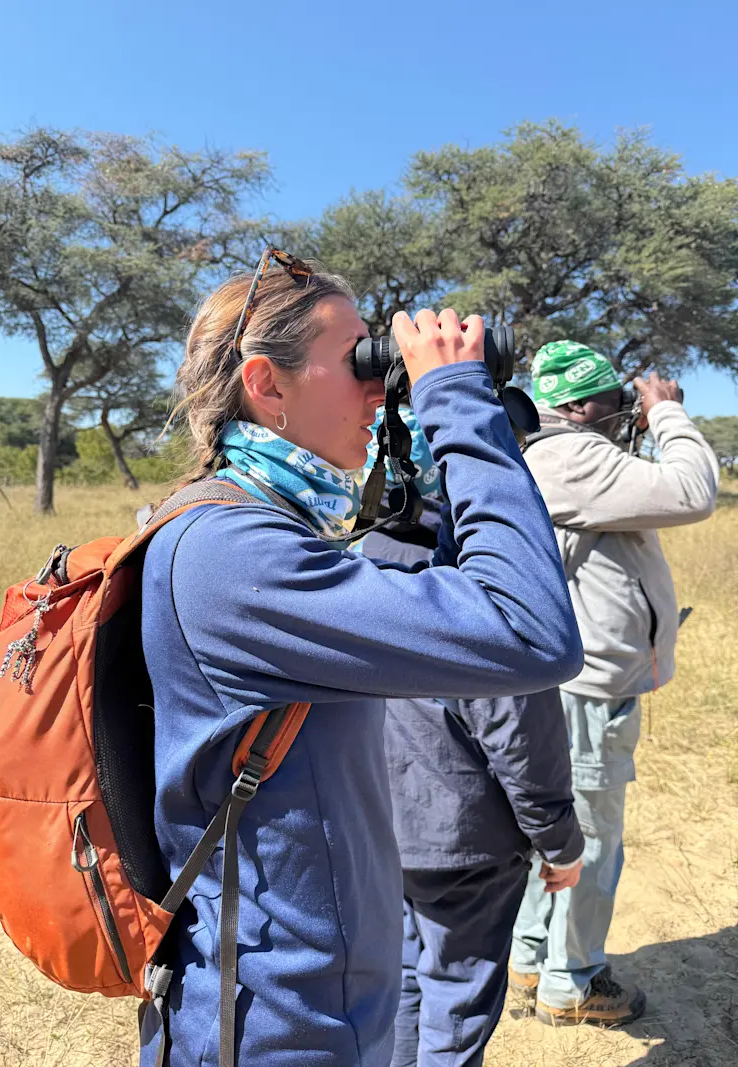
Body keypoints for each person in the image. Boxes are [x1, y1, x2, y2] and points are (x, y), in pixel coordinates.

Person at [140, 250, 583, 1066]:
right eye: (359, 362)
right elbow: (529, 630)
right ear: (267, 385)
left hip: (322, 1002)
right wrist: (456, 398)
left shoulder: (270, 533)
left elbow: (471, 620)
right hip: (273, 1025)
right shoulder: (234, 555)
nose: (382, 389)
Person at [362, 409, 585, 1066]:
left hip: (380, 829)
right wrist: (559, 839)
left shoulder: (350, 561)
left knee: (406, 978)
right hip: (464, 844)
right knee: (458, 1003)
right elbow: (519, 732)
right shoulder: (476, 579)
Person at [510, 340, 720, 1027]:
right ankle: (572, 982)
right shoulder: (574, 456)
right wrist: (668, 414)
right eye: (613, 399)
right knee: (592, 836)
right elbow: (693, 490)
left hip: (572, 680)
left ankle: (531, 958)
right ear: (575, 406)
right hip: (592, 689)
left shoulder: (559, 456)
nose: (626, 408)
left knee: (560, 828)